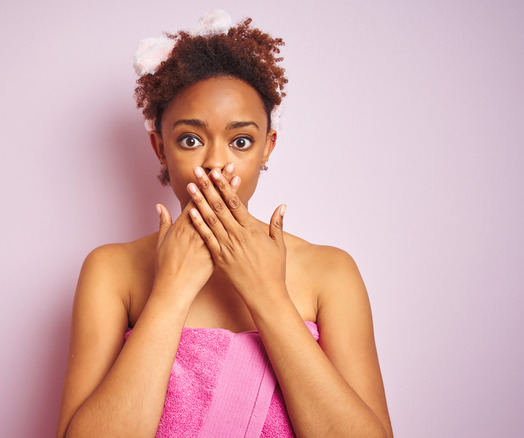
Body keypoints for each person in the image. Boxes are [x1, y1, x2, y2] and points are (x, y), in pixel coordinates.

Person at [57, 10, 392, 438]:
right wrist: (170, 294)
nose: (216, 163)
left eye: (240, 141)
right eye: (190, 140)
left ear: (267, 148)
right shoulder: (111, 271)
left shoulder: (331, 272)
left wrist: (267, 294)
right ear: (159, 147)